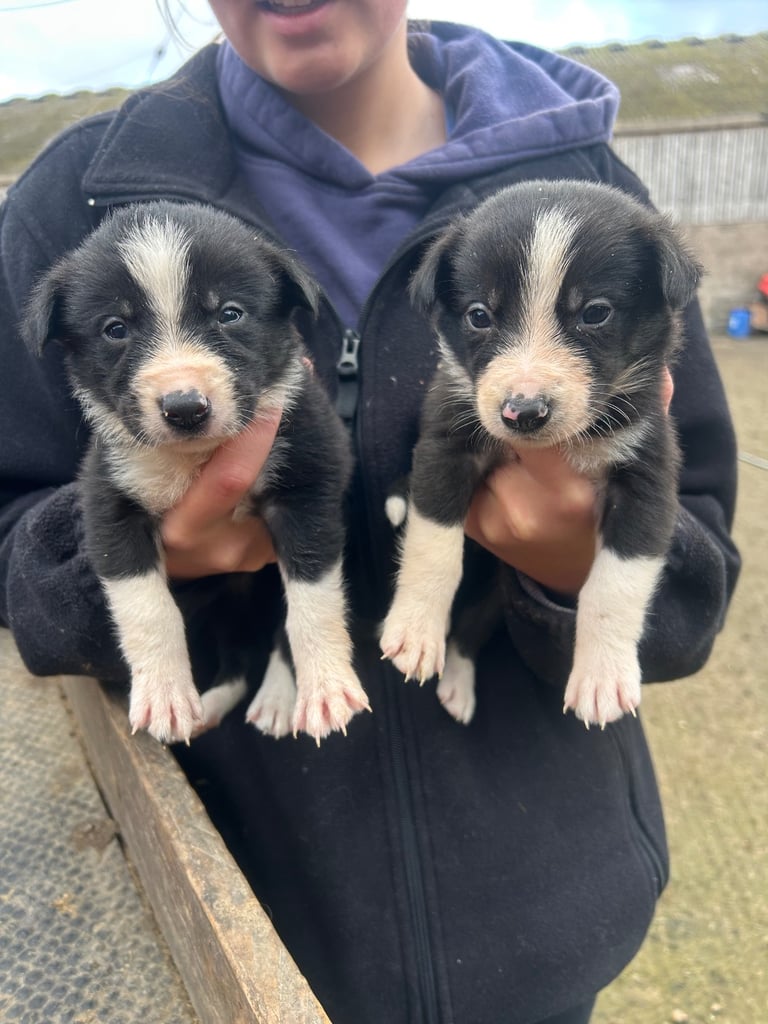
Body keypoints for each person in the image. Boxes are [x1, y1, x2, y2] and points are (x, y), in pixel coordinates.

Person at [0, 4, 740, 1023]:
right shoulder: (70, 200)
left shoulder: (601, 195)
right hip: (226, 911)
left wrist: (577, 562)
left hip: (540, 924)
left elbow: (697, 576)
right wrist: (148, 555)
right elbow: (16, 544)